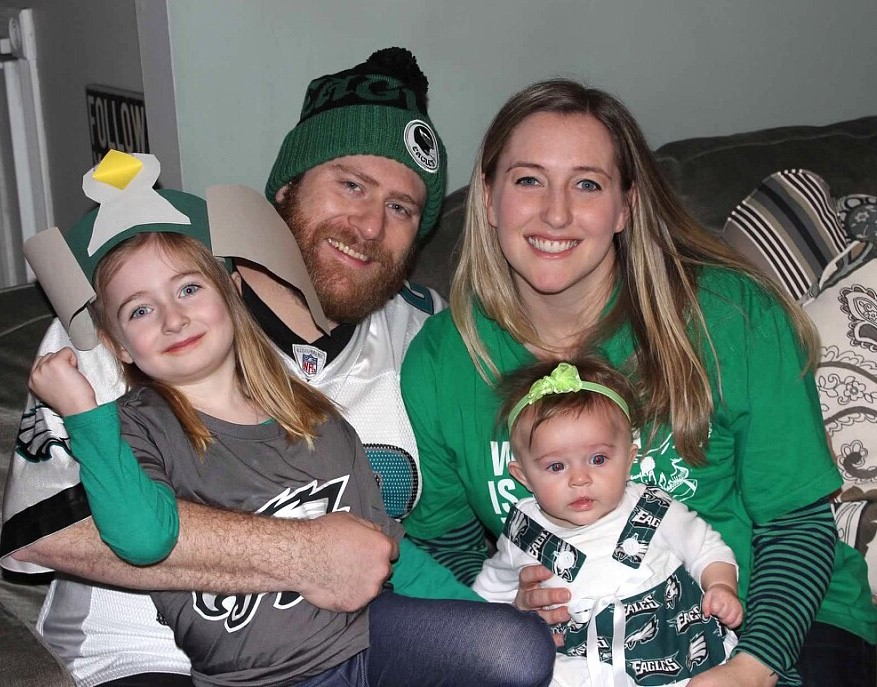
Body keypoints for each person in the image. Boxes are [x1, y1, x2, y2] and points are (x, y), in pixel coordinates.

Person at [0, 48, 482, 686]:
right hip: (140, 661)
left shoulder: (427, 332)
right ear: (286, 189)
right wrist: (297, 554)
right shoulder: (126, 317)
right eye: (351, 184)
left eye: (402, 208)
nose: (370, 225)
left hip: (357, 651)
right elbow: (47, 533)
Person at [400, 79, 877, 686]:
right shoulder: (441, 363)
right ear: (489, 198)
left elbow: (795, 526)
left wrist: (752, 668)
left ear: (625, 206)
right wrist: (508, 609)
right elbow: (448, 546)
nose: (556, 212)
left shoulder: (731, 317)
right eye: (528, 180)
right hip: (592, 654)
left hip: (787, 620)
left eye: (587, 184)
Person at [24, 160, 554, 687]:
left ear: (231, 292)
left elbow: (390, 549)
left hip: (361, 640)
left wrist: (486, 615)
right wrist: (83, 413)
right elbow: (140, 537)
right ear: (115, 343)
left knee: (516, 647)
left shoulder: (316, 415)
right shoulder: (125, 425)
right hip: (251, 673)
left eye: (188, 289)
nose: (172, 318)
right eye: (139, 311)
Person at [473, 358, 742, 686]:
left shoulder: (650, 509)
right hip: (579, 666)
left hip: (676, 653)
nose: (580, 479)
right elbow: (486, 598)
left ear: (628, 460)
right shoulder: (522, 534)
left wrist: (720, 586)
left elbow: (706, 548)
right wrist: (510, 618)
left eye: (598, 459)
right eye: (556, 466)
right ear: (524, 476)